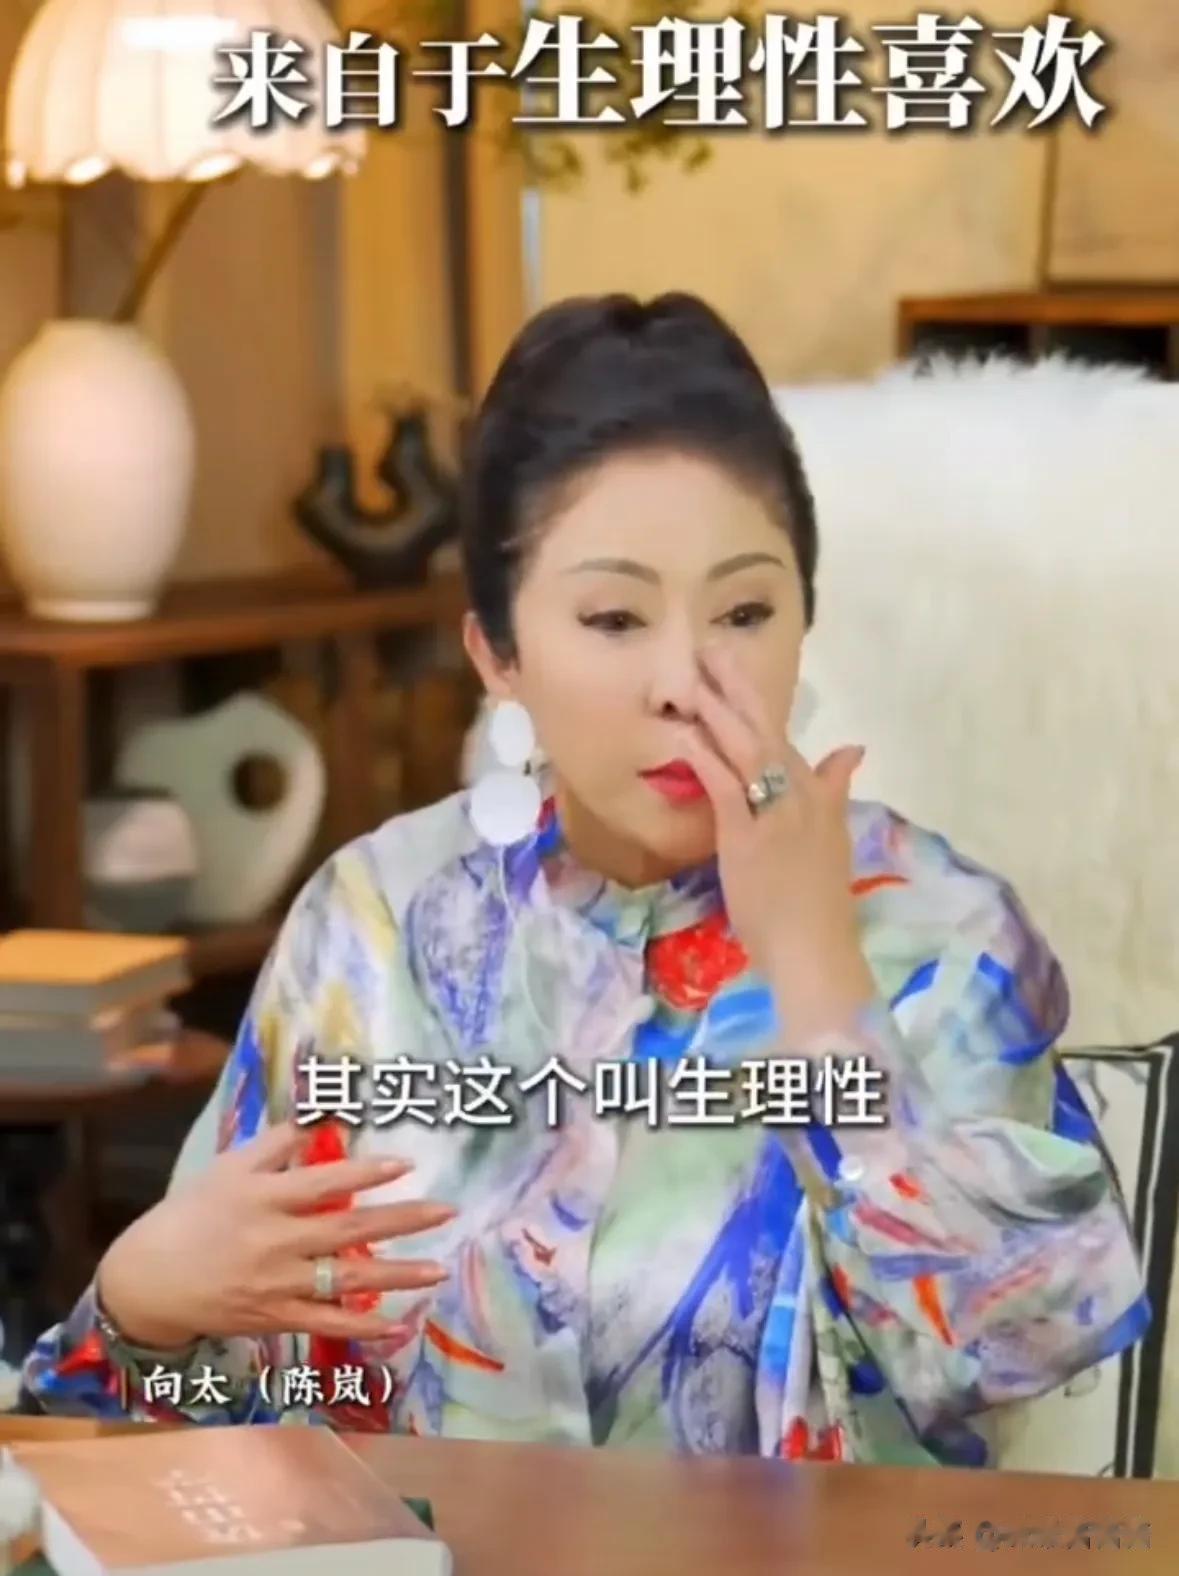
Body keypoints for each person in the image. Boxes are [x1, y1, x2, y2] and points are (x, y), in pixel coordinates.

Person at [20, 293, 1148, 1466]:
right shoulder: (373, 923)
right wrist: (139, 1305)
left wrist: (820, 981)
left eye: (745, 610)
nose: (684, 680)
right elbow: (174, 1445)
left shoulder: (941, 930)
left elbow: (1023, 1350)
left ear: (804, 620)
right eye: (614, 617)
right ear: (498, 655)